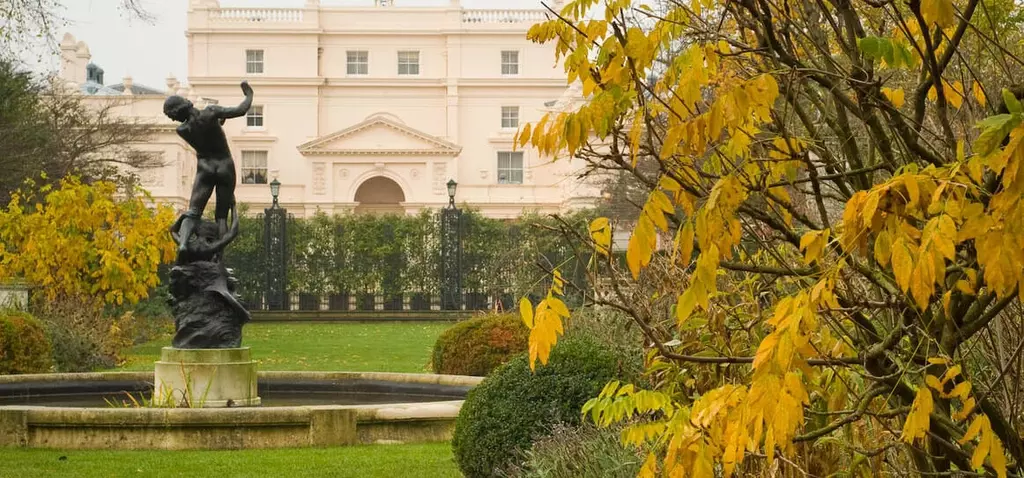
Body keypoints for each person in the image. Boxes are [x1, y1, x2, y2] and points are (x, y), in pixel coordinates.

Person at [163, 81, 253, 254]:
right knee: (221, 215)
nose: (174, 120)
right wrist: (249, 94)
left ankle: (183, 243)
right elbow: (241, 110)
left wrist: (219, 122)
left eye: (172, 116)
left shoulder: (182, 130)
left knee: (193, 212)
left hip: (205, 167)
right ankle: (218, 254)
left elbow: (204, 135)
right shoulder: (211, 112)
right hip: (224, 165)